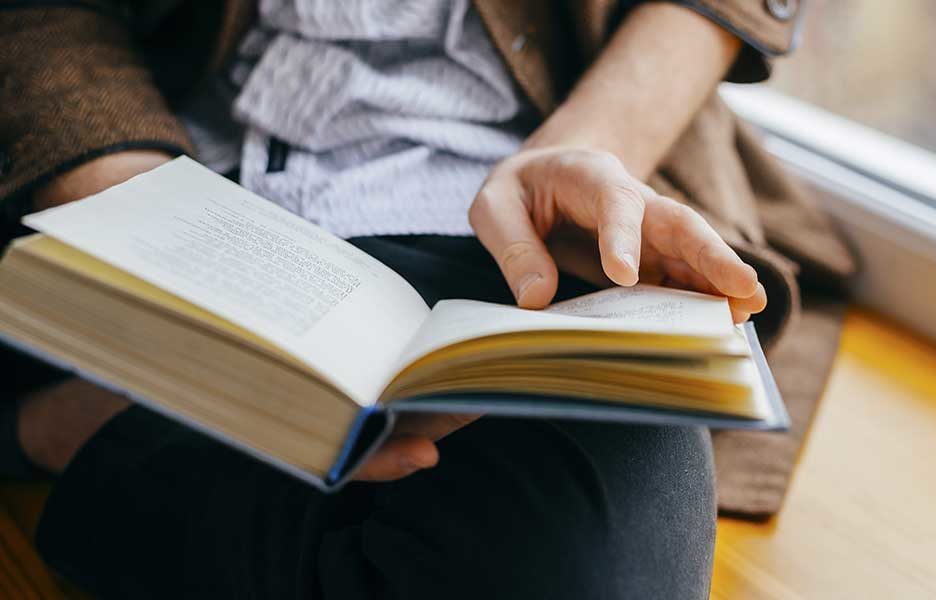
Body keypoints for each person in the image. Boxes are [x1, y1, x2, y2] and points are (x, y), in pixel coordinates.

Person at [0, 0, 830, 597]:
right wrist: (146, 229)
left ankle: (98, 429)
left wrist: (586, 150)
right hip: (168, 153)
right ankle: (133, 421)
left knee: (595, 569)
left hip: (517, 196)